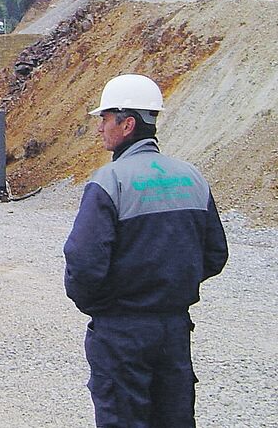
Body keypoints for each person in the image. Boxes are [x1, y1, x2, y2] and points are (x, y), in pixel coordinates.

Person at [64, 74, 228, 427]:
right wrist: (171, 285)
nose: (99, 129)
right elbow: (215, 254)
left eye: (104, 119)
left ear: (127, 124)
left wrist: (103, 307)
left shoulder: (110, 181)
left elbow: (84, 263)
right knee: (174, 417)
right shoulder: (193, 177)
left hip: (121, 331)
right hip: (173, 329)